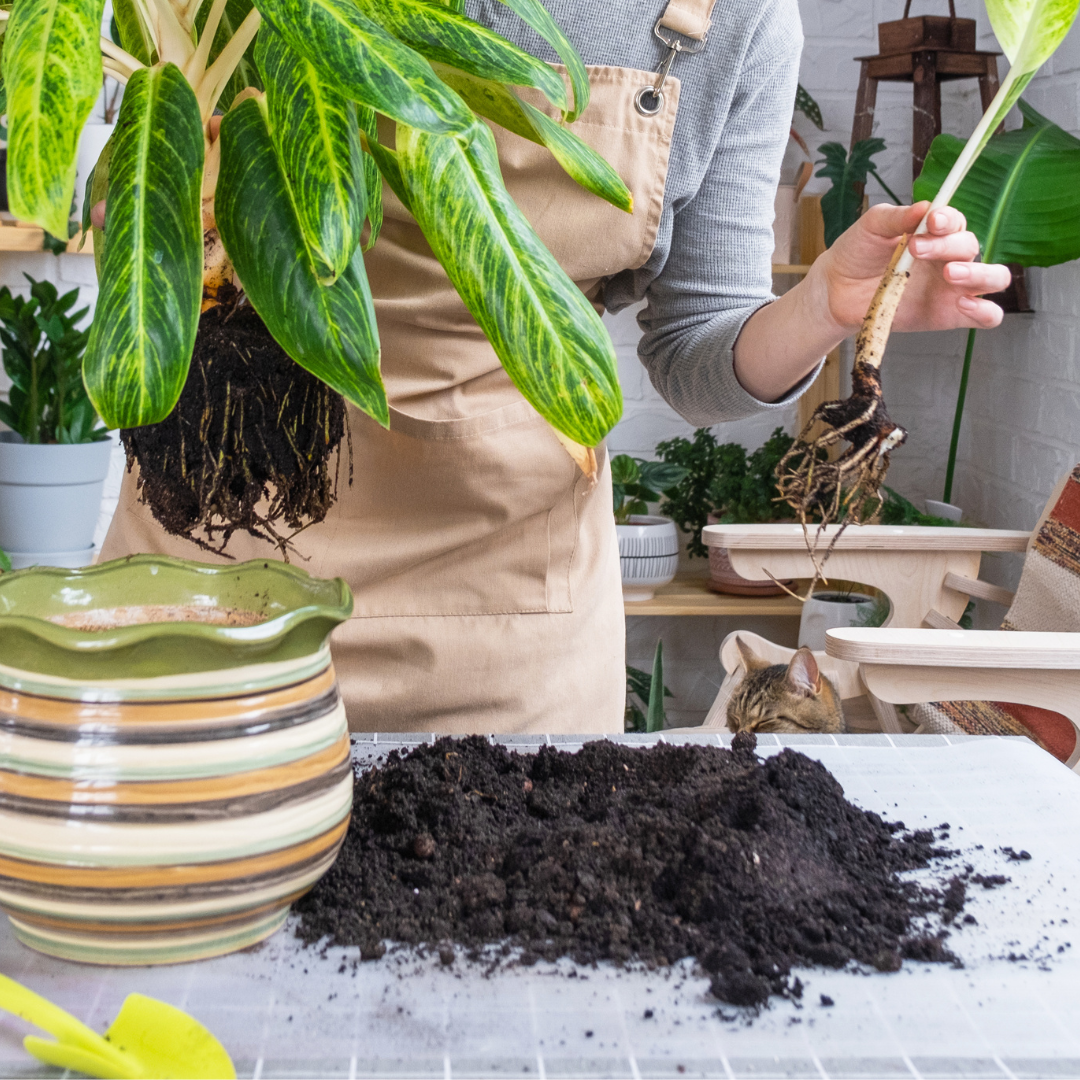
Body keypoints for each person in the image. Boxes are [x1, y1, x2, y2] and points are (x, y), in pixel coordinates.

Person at [98, 0, 1010, 734]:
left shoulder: (734, 20)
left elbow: (696, 346)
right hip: (212, 545)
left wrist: (825, 306)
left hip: (502, 614)